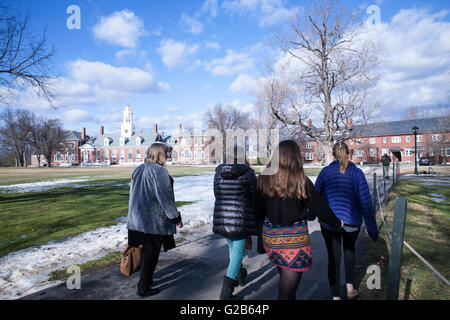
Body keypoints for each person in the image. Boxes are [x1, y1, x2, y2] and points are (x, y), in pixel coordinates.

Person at [256, 140, 343, 300]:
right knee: (287, 291)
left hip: (271, 238)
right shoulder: (301, 181)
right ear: (295, 157)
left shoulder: (263, 179)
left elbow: (258, 211)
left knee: (287, 284)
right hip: (293, 242)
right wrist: (337, 223)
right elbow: (319, 208)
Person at [314, 142, 379, 300]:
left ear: (334, 154)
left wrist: (310, 215)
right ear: (348, 154)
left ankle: (335, 296)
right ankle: (350, 288)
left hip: (329, 223)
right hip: (352, 223)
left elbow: (314, 197)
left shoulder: (325, 172)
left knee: (333, 258)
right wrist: (372, 230)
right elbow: (366, 203)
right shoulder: (357, 174)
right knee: (350, 252)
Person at [126, 143, 183, 298]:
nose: (169, 156)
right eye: (167, 153)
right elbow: (165, 198)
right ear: (160, 154)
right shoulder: (159, 171)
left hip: (137, 219)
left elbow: (133, 195)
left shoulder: (138, 168)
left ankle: (145, 282)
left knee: (146, 254)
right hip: (152, 222)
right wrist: (176, 217)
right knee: (151, 256)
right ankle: (143, 287)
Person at [213, 154, 257, 300]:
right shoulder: (248, 174)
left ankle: (239, 274)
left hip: (223, 216)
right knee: (237, 253)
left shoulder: (218, 173)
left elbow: (216, 193)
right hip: (240, 217)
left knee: (233, 250)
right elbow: (254, 197)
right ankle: (226, 294)